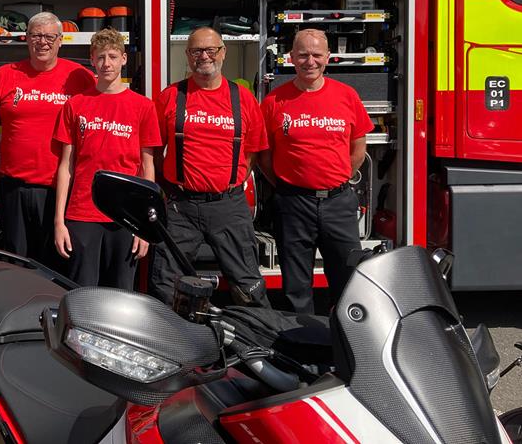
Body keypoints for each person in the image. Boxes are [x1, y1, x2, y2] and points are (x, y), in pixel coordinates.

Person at [149, 27, 270, 308]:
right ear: (188, 56)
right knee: (165, 282)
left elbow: (252, 154)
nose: (204, 56)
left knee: (248, 285)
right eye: (196, 51)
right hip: (181, 207)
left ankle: (254, 345)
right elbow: (154, 152)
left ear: (223, 53)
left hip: (229, 205)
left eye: (210, 50)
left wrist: (228, 182)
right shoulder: (170, 97)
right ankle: (169, 344)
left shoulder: (243, 99)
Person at [259, 28, 373, 314]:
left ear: (328, 58)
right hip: (293, 204)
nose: (310, 61)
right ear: (291, 58)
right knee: (296, 286)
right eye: (303, 55)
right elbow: (264, 156)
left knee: (348, 281)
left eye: (317, 55)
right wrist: (289, 185)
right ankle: (303, 347)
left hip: (338, 203)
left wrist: (340, 177)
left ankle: (346, 344)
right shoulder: (274, 101)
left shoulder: (346, 96)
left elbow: (358, 146)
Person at [0, 12, 95, 266]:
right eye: (36, 35)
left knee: (58, 262)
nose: (43, 42)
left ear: (61, 40)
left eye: (50, 36)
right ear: (26, 39)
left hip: (62, 191)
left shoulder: (79, 77)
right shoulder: (4, 76)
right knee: (16, 263)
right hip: (15, 188)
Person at [53, 28, 162, 289]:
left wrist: (145, 226)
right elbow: (66, 165)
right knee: (82, 293)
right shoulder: (75, 105)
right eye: (100, 57)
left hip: (125, 216)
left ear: (124, 59)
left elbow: (148, 168)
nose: (107, 64)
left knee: (121, 295)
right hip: (82, 214)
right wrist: (59, 220)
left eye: (113, 56)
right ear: (92, 60)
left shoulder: (142, 106)